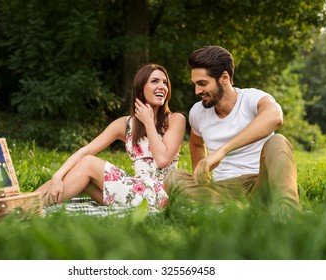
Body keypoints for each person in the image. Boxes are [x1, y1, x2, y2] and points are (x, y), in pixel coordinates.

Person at [164, 46, 301, 213]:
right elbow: (196, 144)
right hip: (221, 190)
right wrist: (201, 174)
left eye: (202, 83)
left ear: (224, 78)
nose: (197, 91)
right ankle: (236, 210)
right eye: (195, 84)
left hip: (259, 183)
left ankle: (288, 213)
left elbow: (275, 117)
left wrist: (222, 151)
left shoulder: (252, 98)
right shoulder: (197, 112)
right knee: (173, 178)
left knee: (278, 141)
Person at [35, 63, 186, 212]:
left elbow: (162, 160)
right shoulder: (125, 124)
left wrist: (148, 121)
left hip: (158, 197)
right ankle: (25, 202)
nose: (162, 86)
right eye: (155, 81)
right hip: (134, 192)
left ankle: (28, 206)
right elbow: (86, 150)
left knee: (88, 163)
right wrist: (56, 177)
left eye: (165, 82)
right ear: (141, 88)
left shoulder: (175, 120)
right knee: (80, 176)